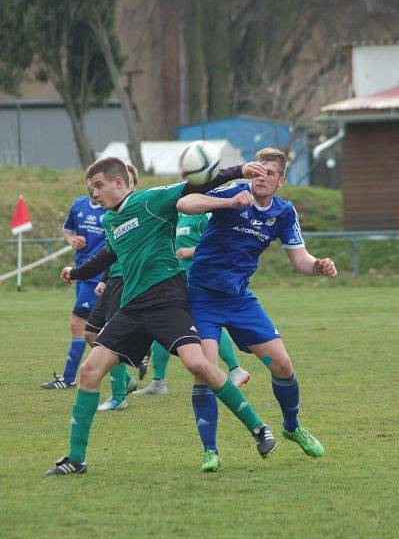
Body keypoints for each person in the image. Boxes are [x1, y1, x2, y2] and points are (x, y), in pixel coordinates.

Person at [44, 156, 276, 476]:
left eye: (98, 186)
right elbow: (111, 254)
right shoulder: (111, 222)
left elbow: (195, 185)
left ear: (119, 183)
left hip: (167, 300)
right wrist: (78, 271)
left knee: (198, 364)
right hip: (132, 307)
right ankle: (75, 458)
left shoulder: (151, 201)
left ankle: (258, 427)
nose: (94, 194)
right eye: (90, 189)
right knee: (89, 371)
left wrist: (238, 171)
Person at [177, 147, 337, 472]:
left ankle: (292, 427)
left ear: (281, 180)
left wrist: (318, 266)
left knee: (282, 364)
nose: (262, 178)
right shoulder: (234, 192)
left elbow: (300, 259)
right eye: (258, 171)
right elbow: (186, 203)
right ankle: (210, 451)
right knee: (204, 371)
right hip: (202, 297)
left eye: (270, 173)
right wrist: (228, 203)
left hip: (239, 299)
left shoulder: (283, 213)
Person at [134, 211, 250, 397]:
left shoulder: (206, 216)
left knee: (204, 325)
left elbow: (222, 243)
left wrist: (193, 251)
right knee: (163, 325)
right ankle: (158, 382)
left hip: (198, 280)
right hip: (178, 280)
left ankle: (235, 370)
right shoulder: (179, 216)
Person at [41, 178, 106, 389]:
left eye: (97, 183)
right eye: (90, 182)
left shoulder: (110, 210)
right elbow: (68, 229)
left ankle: (69, 378)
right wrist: (72, 240)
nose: (93, 187)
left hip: (96, 276)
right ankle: (123, 372)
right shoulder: (78, 205)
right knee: (93, 327)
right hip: (80, 273)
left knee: (80, 323)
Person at [84, 164, 139, 411]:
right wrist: (104, 279)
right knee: (90, 333)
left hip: (126, 280)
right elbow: (111, 252)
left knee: (110, 338)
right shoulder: (111, 217)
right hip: (113, 279)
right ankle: (124, 379)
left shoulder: (138, 211)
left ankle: (119, 397)